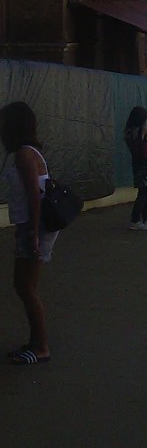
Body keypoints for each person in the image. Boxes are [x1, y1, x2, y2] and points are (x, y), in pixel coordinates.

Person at [1, 103, 59, 364]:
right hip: (33, 226)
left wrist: (33, 233)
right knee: (25, 286)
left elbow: (35, 197)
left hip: (34, 226)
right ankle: (36, 343)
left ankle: (41, 346)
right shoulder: (30, 152)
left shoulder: (25, 155)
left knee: (25, 287)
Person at [124, 106, 147, 229]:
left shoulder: (128, 131)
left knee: (143, 192)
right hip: (146, 165)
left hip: (137, 164)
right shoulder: (142, 130)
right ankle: (135, 220)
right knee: (144, 193)